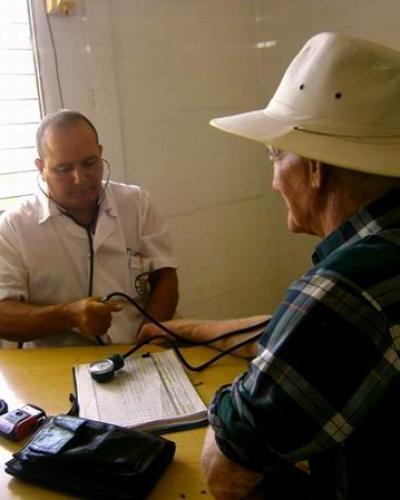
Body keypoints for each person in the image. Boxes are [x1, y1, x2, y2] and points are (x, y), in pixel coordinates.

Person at [138, 32, 400, 499]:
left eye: (275, 155)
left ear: (316, 169)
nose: (274, 179)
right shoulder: (378, 263)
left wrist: (239, 399)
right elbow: (314, 341)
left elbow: (225, 474)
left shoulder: (345, 286)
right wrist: (189, 329)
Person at [0, 110, 178, 348]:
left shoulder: (136, 203)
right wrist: (68, 315)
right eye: (63, 169)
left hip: (137, 350)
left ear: (101, 153)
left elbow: (166, 276)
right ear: (41, 167)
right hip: (58, 364)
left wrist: (148, 342)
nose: (80, 178)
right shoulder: (13, 227)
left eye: (89, 163)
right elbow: (3, 317)